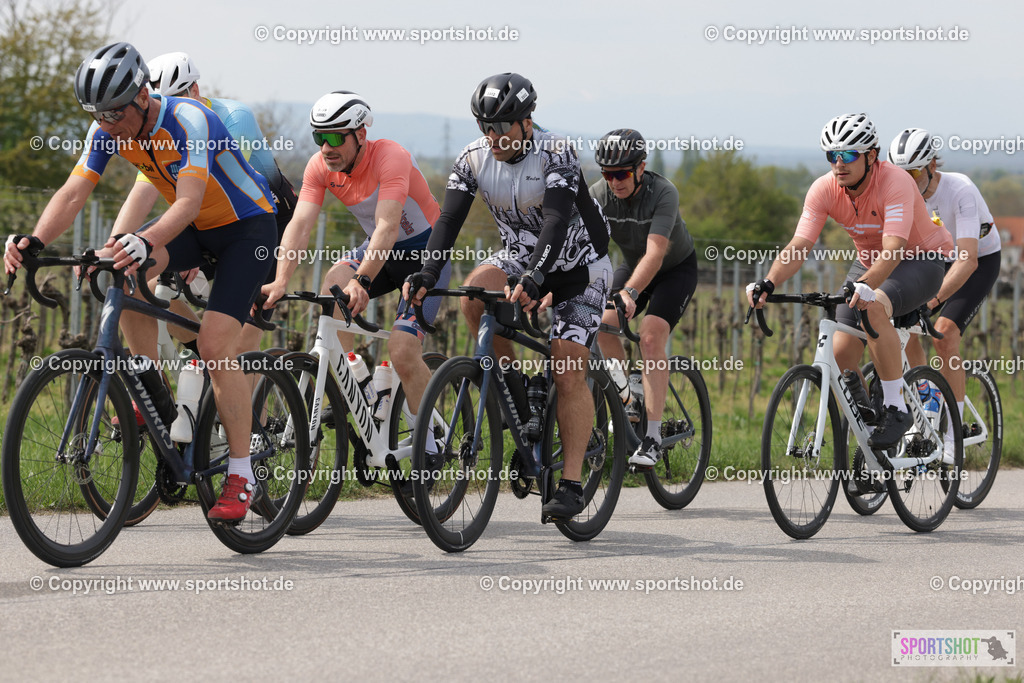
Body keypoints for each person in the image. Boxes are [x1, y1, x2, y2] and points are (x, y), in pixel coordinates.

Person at [4, 42, 278, 521]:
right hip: (197, 229)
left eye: (114, 113)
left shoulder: (190, 120)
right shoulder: (108, 127)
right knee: (122, 274)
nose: (107, 124)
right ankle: (149, 389)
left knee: (215, 345)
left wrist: (143, 240)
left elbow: (188, 202)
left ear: (141, 96)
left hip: (247, 228)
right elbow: (73, 192)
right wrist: (36, 239)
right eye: (97, 115)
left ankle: (241, 474)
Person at [405, 72, 612, 519]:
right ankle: (516, 399)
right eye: (484, 127)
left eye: (500, 127)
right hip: (521, 257)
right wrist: (427, 271)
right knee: (474, 295)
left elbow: (556, 221)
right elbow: (447, 223)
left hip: (580, 266)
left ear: (526, 122)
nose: (492, 137)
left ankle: (572, 483)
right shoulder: (473, 158)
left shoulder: (556, 152)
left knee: (567, 368)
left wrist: (539, 279)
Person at [747, 113, 953, 453]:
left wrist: (866, 286)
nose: (838, 164)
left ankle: (896, 409)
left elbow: (894, 249)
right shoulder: (824, 189)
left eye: (848, 155)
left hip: (921, 259)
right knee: (841, 351)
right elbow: (799, 246)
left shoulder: (895, 182)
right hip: (872, 261)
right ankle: (869, 423)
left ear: (872, 155)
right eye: (832, 156)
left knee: (872, 309)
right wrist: (768, 282)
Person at [261, 91, 451, 444]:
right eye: (319, 137)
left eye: (334, 137)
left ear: (360, 135)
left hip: (424, 255)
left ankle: (431, 443)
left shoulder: (391, 157)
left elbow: (387, 226)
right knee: (331, 286)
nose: (325, 147)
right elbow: (300, 224)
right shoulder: (320, 167)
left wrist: (363, 280)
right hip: (381, 251)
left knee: (403, 350)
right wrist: (281, 279)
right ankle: (360, 385)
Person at [110, 51, 297, 361]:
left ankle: (239, 390)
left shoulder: (233, 117)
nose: (167, 112)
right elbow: (143, 192)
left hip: (264, 222)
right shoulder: (158, 128)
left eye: (176, 98)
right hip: (205, 221)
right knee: (146, 283)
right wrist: (116, 246)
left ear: (194, 91)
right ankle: (201, 359)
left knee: (239, 346)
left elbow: (223, 191)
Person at [888, 127, 1002, 459]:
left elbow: (966, 261)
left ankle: (954, 434)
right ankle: (925, 393)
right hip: (935, 260)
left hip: (978, 261)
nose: (906, 181)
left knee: (945, 334)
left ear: (931, 167)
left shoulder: (960, 190)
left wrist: (932, 301)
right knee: (899, 320)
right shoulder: (900, 195)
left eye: (913, 173)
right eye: (899, 174)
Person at [591, 129, 698, 467]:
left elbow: (655, 253)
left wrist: (630, 293)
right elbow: (585, 247)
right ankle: (628, 398)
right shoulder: (599, 196)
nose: (614, 182)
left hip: (674, 268)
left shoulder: (663, 192)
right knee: (602, 324)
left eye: (621, 173)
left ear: (640, 168)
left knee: (650, 337)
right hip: (633, 265)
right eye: (608, 174)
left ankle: (652, 437)